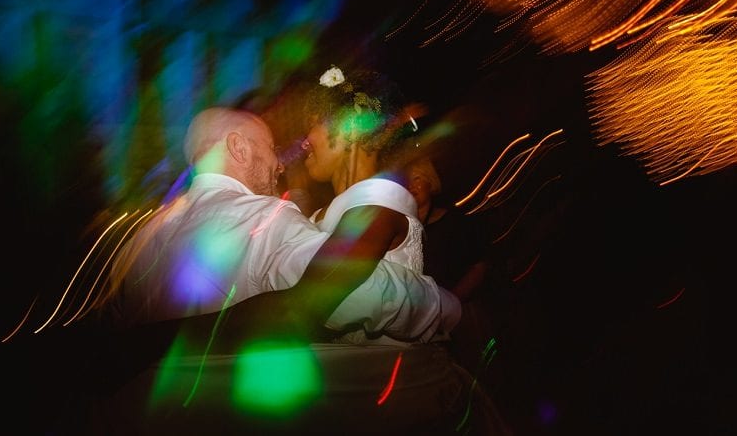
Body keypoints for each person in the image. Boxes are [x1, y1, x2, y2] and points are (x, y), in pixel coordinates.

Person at [92, 105, 474, 434]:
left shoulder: (137, 240)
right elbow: (358, 295)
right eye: (271, 148)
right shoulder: (265, 218)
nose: (279, 163)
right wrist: (444, 305)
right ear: (238, 148)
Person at [300, 64, 425, 344]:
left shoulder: (380, 204)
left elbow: (306, 304)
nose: (304, 142)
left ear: (352, 126)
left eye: (312, 125)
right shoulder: (318, 214)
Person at [404, 155, 502, 386]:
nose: (412, 186)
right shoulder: (404, 230)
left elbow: (480, 265)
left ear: (431, 182)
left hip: (463, 314)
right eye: (406, 182)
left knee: (481, 379)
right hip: (424, 324)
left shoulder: (455, 222)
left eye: (418, 179)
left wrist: (449, 302)